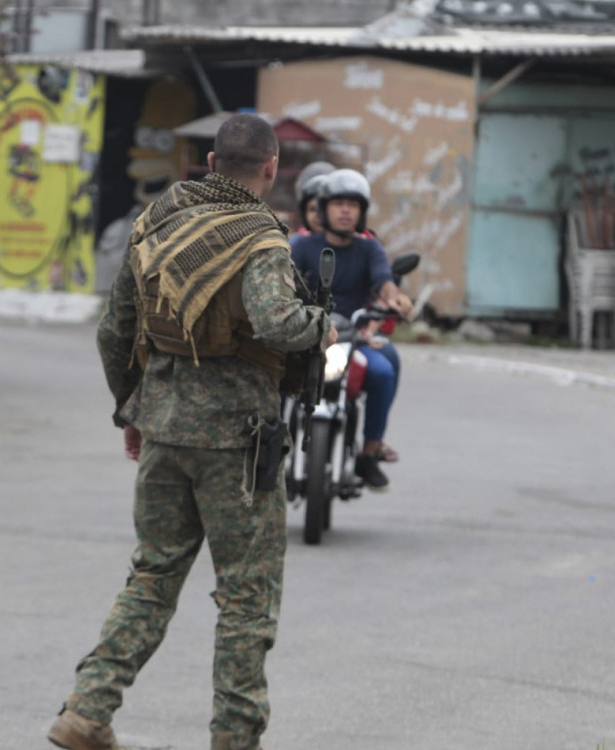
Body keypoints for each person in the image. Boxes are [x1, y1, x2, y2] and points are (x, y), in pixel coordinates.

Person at [49, 114, 334, 750]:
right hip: (239, 443)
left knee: (151, 577)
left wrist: (133, 411)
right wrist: (322, 324)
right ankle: (235, 738)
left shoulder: (159, 220)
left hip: (165, 428)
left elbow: (113, 330)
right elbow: (278, 322)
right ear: (270, 169)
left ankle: (86, 711)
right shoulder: (260, 238)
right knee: (245, 597)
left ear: (210, 162)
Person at [290, 169, 412, 490]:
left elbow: (383, 281)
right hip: (305, 339)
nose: (346, 210)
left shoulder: (368, 249)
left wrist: (395, 298)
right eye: (339, 203)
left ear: (362, 212)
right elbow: (282, 279)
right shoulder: (301, 246)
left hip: (352, 339)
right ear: (324, 208)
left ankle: (368, 453)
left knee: (384, 371)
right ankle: (267, 446)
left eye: (353, 205)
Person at [291, 160, 335, 236]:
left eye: (325, 208)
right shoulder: (297, 244)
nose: (319, 215)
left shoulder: (357, 243)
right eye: (313, 209)